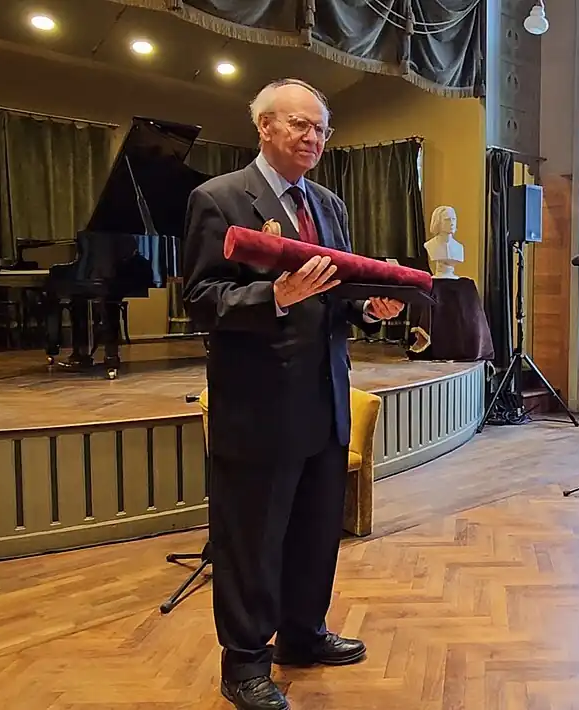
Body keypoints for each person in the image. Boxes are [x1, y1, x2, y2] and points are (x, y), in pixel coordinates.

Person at [183, 78, 405, 710]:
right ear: (265, 127)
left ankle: (302, 635)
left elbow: (336, 293)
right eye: (300, 125)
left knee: (314, 531)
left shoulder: (329, 204)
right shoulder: (218, 198)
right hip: (257, 407)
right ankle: (245, 666)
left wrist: (369, 310)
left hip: (325, 398)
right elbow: (199, 301)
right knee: (251, 543)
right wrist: (274, 296)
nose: (313, 138)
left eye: (321, 129)